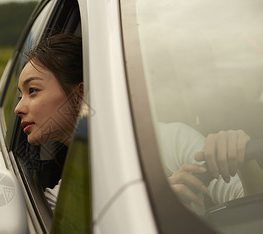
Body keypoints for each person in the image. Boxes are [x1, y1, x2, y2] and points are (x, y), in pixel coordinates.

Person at [14, 33, 261, 212]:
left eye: (32, 90)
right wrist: (150, 209)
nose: (17, 108)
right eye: (19, 96)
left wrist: (242, 161)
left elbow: (248, 206)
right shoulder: (63, 196)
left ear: (81, 94)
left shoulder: (170, 141)